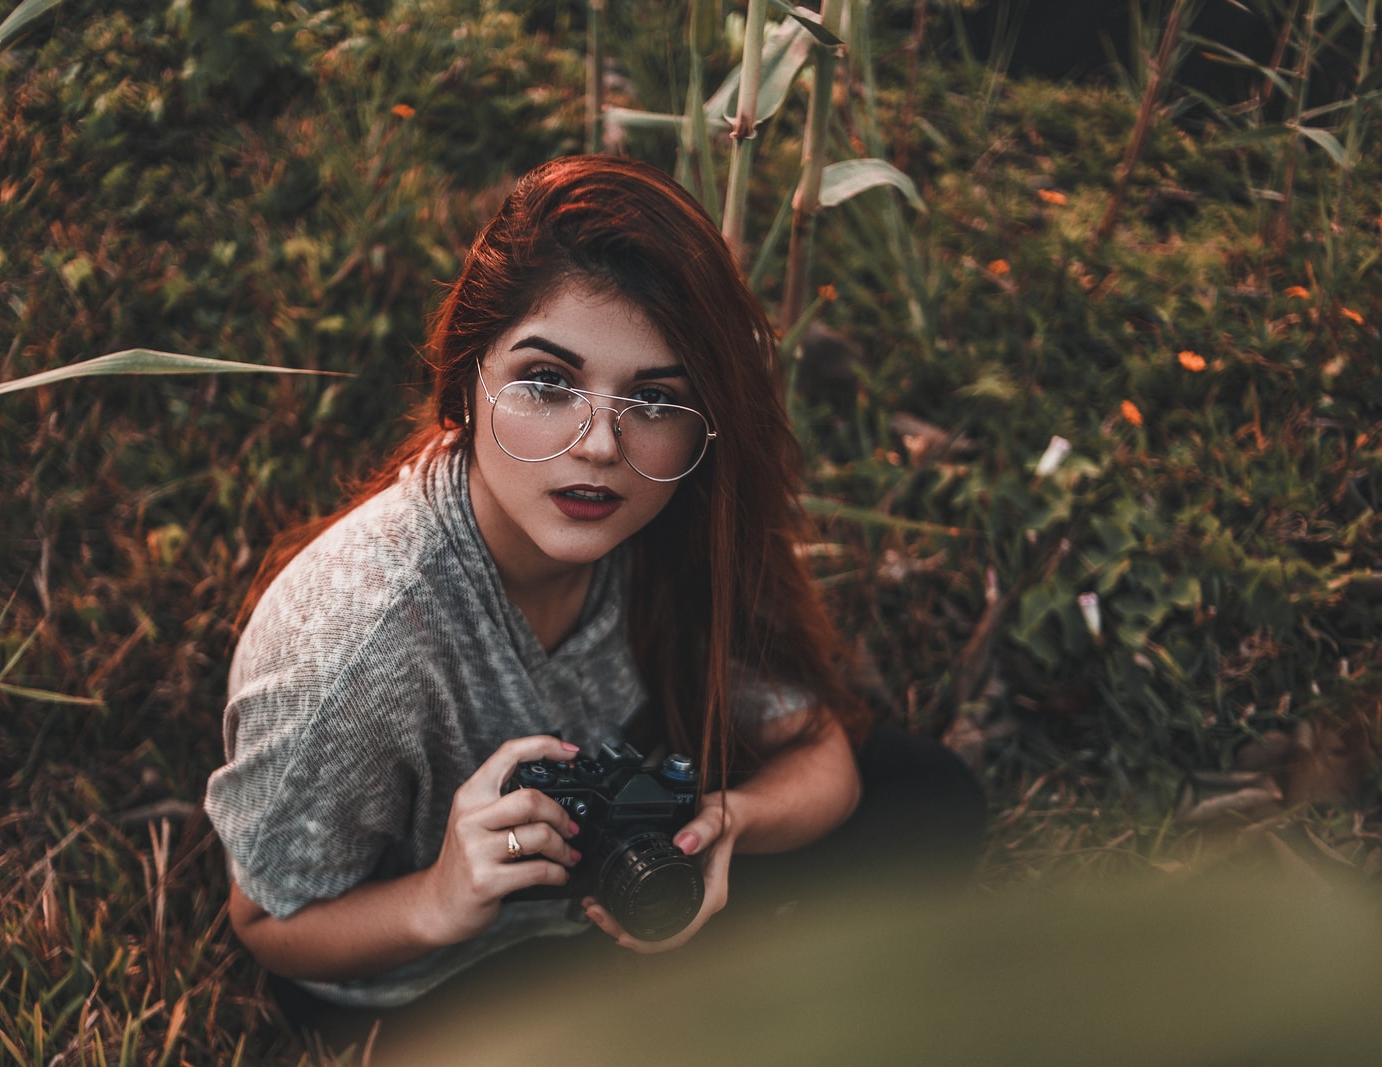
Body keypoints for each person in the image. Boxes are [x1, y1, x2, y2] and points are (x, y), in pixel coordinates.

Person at [204, 155, 985, 1051]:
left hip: (629, 887)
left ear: (703, 423)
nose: (601, 443)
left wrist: (724, 829)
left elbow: (821, 754)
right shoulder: (353, 646)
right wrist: (443, 896)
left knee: (930, 800)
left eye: (654, 398)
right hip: (447, 971)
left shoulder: (669, 520)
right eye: (547, 381)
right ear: (468, 380)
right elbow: (269, 925)